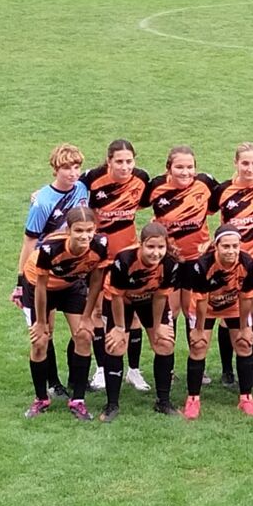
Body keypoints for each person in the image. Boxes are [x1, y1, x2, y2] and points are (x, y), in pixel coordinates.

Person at [14, 143, 89, 398]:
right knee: (45, 331)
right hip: (44, 271)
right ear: (55, 168)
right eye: (67, 167)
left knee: (82, 329)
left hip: (73, 272)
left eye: (76, 167)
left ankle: (76, 381)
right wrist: (20, 281)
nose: (73, 173)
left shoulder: (83, 187)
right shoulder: (42, 202)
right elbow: (29, 241)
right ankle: (53, 383)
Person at [22, 206, 110, 421]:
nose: (85, 236)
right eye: (78, 231)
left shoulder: (100, 246)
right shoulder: (50, 248)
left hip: (71, 285)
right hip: (39, 286)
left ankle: (78, 400)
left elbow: (97, 280)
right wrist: (41, 322)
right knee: (40, 341)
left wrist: (88, 317)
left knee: (84, 336)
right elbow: (40, 286)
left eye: (89, 230)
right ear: (69, 230)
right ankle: (41, 398)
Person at [144, 145, 219, 392]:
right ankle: (169, 366)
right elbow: (130, 201)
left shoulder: (206, 184)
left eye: (189, 167)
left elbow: (230, 196)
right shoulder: (155, 188)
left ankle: (197, 363)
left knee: (194, 309)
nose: (185, 172)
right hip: (170, 261)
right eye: (179, 167)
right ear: (168, 169)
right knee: (171, 309)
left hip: (197, 260)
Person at [80, 139, 150, 391]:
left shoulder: (141, 180)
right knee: (98, 312)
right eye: (119, 161)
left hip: (129, 258)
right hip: (98, 258)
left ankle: (133, 370)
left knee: (131, 316)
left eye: (129, 161)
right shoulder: (92, 180)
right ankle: (101, 369)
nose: (124, 166)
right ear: (109, 160)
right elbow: (68, 193)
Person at [209, 142, 253, 387]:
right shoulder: (223, 191)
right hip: (231, 263)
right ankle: (227, 371)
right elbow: (205, 214)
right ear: (235, 163)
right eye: (245, 163)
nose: (250, 168)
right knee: (228, 314)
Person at [100, 222, 180, 421]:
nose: (155, 253)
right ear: (141, 244)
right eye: (150, 247)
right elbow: (117, 296)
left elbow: (162, 296)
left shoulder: (170, 263)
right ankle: (112, 405)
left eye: (160, 247)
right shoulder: (124, 260)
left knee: (164, 343)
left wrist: (158, 325)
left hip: (151, 300)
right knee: (115, 345)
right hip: (122, 302)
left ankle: (163, 402)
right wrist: (119, 327)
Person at [186, 223, 253, 420]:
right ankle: (193, 399)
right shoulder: (202, 266)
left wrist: (246, 327)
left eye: (235, 246)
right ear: (216, 246)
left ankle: (246, 398)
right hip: (206, 308)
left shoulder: (248, 263)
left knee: (244, 344)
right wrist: (199, 329)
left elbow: (247, 297)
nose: (231, 251)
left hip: (233, 306)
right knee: (198, 346)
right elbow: (202, 301)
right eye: (226, 246)